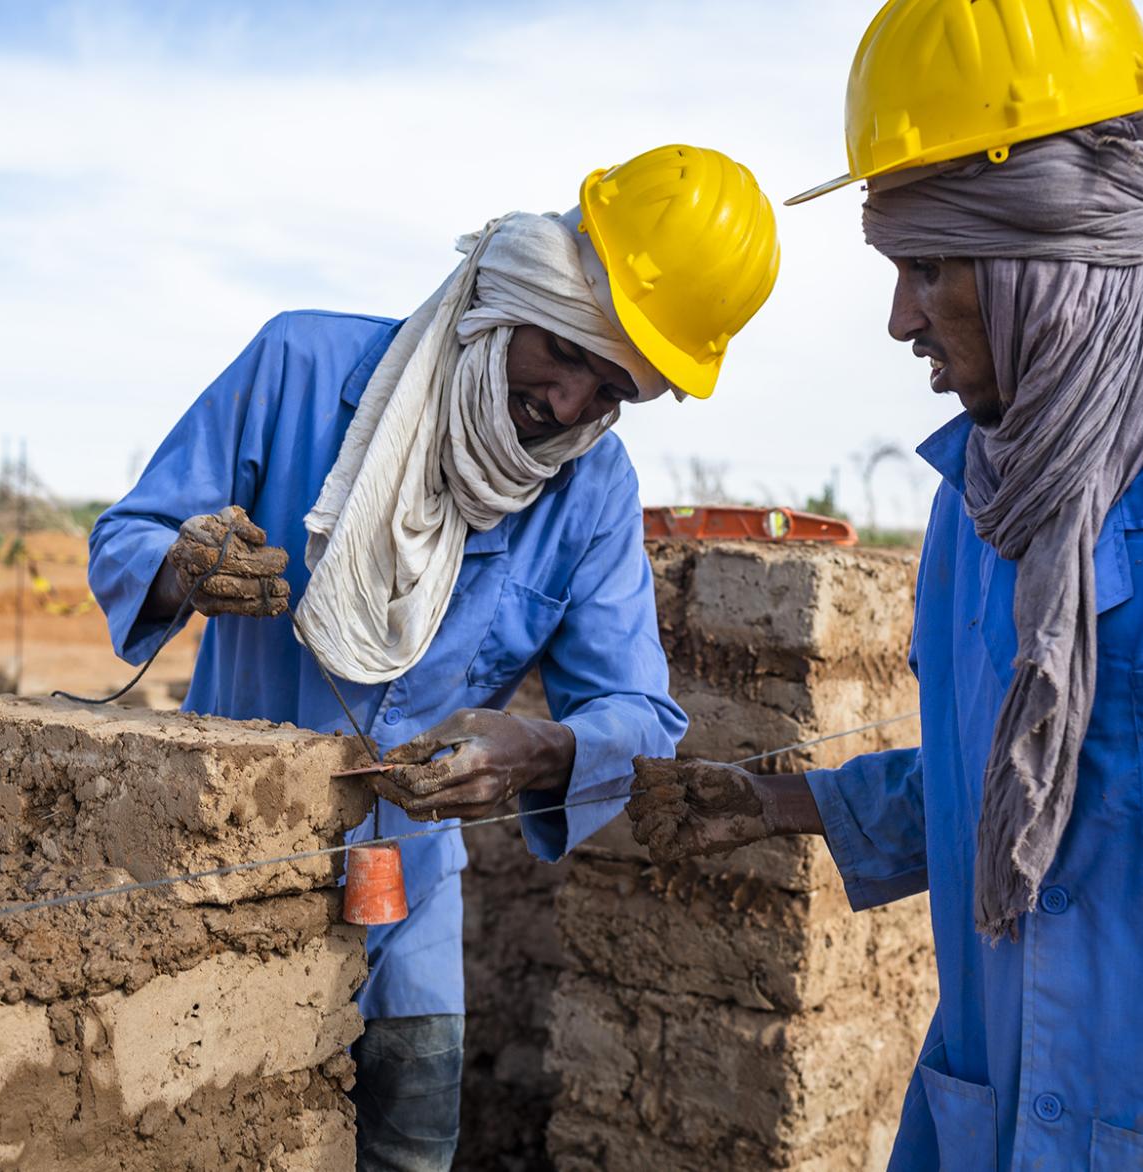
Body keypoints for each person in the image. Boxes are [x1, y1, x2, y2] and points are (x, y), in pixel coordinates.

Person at [629, 3, 1143, 1168]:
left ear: (1043, 259)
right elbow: (997, 784)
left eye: (926, 267)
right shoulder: (974, 512)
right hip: (991, 1126)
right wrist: (776, 803)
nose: (901, 317)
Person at [89, 143, 779, 1171]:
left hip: (407, 887)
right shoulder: (299, 367)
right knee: (220, 1133)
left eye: (614, 391)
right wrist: (182, 568)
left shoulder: (590, 491)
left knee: (407, 1147)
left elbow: (641, 711)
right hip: (227, 870)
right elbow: (129, 534)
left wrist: (542, 747)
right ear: (509, 297)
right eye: (563, 352)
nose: (570, 406)